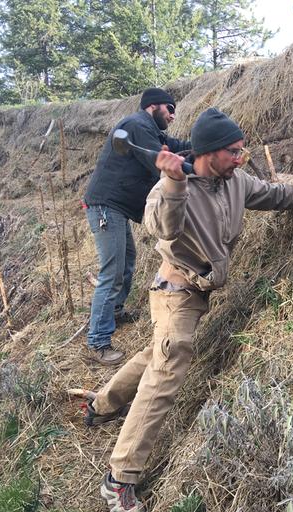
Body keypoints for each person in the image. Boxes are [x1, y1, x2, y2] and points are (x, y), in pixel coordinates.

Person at [83, 108, 293, 512]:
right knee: (170, 364)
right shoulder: (174, 186)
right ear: (210, 152)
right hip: (176, 291)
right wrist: (173, 181)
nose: (241, 158)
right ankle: (119, 477)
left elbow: (276, 195)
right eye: (234, 151)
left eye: (243, 150)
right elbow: (163, 228)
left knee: (159, 351)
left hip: (198, 291)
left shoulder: (236, 181)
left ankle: (102, 405)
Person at [83, 87, 191, 365]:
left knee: (127, 261)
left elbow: (174, 145)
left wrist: (204, 147)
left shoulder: (147, 130)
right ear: (154, 106)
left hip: (114, 207)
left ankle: (114, 311)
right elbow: (160, 162)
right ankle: (97, 343)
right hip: (107, 207)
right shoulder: (136, 124)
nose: (173, 116)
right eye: (170, 110)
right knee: (112, 271)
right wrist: (193, 168)